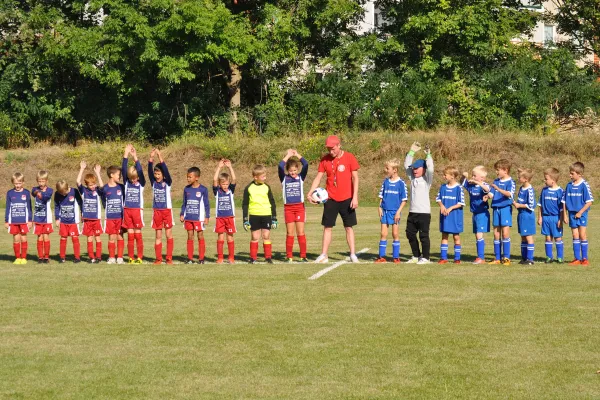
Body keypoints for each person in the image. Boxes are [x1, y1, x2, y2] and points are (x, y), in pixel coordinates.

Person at [307, 135, 360, 264]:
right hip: (330, 199)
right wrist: (309, 193)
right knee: (327, 227)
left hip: (347, 198)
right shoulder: (325, 160)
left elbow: (355, 178)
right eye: (329, 149)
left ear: (339, 145)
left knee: (349, 227)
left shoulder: (349, 157)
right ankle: (324, 254)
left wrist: (355, 196)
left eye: (333, 148)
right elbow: (318, 178)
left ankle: (353, 254)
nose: (331, 151)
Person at [404, 141, 434, 265]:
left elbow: (431, 169)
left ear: (423, 169)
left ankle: (426, 258)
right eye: (414, 169)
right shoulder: (412, 178)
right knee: (409, 234)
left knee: (423, 236)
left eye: (417, 168)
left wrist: (428, 156)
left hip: (424, 213)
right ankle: (416, 255)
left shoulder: (427, 180)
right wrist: (411, 152)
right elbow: (406, 166)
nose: (414, 170)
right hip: (412, 212)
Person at [242, 164, 277, 264]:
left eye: (265, 176)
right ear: (255, 177)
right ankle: (253, 258)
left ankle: (268, 257)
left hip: (266, 215)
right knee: (255, 237)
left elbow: (272, 202)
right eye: (263, 176)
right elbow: (245, 204)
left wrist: (274, 218)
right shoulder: (249, 188)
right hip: (254, 215)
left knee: (266, 236)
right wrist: (245, 219)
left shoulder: (267, 187)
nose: (265, 178)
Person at [279, 149, 309, 263]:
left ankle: (303, 256)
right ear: (288, 171)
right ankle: (289, 256)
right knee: (289, 233)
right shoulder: (284, 179)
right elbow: (280, 166)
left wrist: (297, 155)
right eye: (291, 170)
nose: (293, 172)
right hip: (288, 208)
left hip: (299, 208)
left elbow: (306, 164)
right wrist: (287, 155)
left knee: (300, 232)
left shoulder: (300, 178)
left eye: (295, 170)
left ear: (298, 169)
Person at [375, 159, 407, 263]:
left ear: (395, 170)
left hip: (395, 212)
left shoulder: (401, 183)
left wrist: (398, 212)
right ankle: (381, 257)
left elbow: (404, 200)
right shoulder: (385, 182)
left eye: (387, 168)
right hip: (385, 211)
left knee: (395, 234)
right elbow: (381, 196)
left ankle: (396, 257)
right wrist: (379, 207)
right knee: (383, 234)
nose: (385, 170)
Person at [562, 161, 594, 265]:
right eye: (570, 173)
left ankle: (584, 258)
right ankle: (577, 258)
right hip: (572, 214)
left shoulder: (584, 185)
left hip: (581, 214)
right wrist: (565, 215)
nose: (570, 175)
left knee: (582, 235)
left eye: (572, 173)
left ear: (579, 174)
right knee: (575, 235)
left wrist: (580, 212)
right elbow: (564, 201)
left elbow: (589, 202)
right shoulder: (569, 186)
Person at [148, 148, 174, 264]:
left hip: (167, 211)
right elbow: (149, 171)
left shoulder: (167, 183)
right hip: (157, 212)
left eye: (159, 174)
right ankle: (158, 258)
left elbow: (166, 171)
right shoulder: (153, 183)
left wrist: (160, 156)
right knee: (158, 235)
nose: (157, 176)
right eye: (156, 174)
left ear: (163, 175)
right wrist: (151, 158)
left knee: (168, 235)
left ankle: (169, 258)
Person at [487, 159, 515, 265]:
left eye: (498, 170)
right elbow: (492, 194)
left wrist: (498, 189)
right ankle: (497, 258)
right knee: (496, 234)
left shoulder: (510, 182)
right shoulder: (496, 181)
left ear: (505, 170)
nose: (496, 172)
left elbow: (509, 194)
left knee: (505, 233)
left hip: (505, 209)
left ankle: (506, 258)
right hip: (496, 209)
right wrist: (487, 196)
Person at [180, 166, 210, 264]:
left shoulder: (203, 189)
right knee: (190, 236)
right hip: (188, 217)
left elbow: (206, 204)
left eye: (190, 177)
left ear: (196, 177)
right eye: (187, 177)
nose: (188, 179)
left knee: (200, 236)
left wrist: (207, 216)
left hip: (199, 218)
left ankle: (201, 258)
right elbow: (184, 203)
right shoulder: (186, 189)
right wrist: (182, 214)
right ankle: (190, 258)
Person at [461, 166, 491, 264]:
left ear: (482, 178)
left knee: (479, 234)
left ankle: (481, 258)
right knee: (477, 235)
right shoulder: (471, 185)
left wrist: (478, 183)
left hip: (482, 213)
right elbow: (462, 182)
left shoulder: (484, 185)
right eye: (472, 175)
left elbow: (487, 189)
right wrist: (463, 176)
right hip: (475, 213)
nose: (472, 177)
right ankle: (480, 256)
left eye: (475, 176)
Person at [122, 144, 146, 263]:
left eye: (135, 178)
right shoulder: (127, 183)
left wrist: (135, 157)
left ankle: (140, 257)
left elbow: (140, 172)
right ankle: (131, 257)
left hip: (137, 211)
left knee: (138, 234)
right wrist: (125, 155)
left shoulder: (141, 184)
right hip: (127, 210)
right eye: (131, 178)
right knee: (130, 234)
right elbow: (123, 168)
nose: (133, 180)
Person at [436, 166, 465, 264]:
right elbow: (438, 199)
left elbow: (461, 203)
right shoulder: (443, 187)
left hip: (455, 216)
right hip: (445, 216)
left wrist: (451, 208)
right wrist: (442, 206)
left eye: (445, 175)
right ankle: (443, 258)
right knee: (444, 236)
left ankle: (457, 258)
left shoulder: (458, 188)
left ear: (452, 176)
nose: (444, 176)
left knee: (456, 236)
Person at [77, 161, 104, 263]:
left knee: (97, 238)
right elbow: (77, 182)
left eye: (93, 184)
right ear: (87, 185)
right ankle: (91, 257)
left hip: (96, 219)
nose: (92, 186)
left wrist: (97, 172)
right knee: (89, 239)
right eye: (90, 185)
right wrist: (82, 169)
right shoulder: (84, 191)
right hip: (87, 219)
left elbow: (101, 185)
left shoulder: (97, 191)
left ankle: (98, 257)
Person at [538, 167, 564, 263]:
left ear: (553, 180)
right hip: (546, 217)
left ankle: (560, 257)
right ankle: (549, 257)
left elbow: (562, 208)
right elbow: (540, 205)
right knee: (548, 237)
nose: (544, 181)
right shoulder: (544, 190)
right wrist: (540, 217)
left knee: (557, 237)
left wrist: (560, 219)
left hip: (555, 217)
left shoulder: (560, 191)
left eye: (546, 179)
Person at [213, 159, 237, 264]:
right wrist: (219, 167)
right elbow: (214, 180)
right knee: (220, 237)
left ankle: (231, 258)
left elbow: (234, 179)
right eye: (223, 184)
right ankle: (220, 258)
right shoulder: (217, 191)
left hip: (230, 218)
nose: (225, 186)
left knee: (230, 237)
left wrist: (230, 167)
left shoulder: (231, 191)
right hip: (220, 218)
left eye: (227, 184)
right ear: (220, 184)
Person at [5, 172, 32, 264]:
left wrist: (29, 220)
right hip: (13, 221)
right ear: (13, 183)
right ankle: (17, 258)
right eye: (16, 183)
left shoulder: (26, 193)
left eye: (19, 183)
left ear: (23, 182)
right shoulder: (10, 193)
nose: (18, 185)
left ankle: (24, 257)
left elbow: (29, 207)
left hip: (24, 221)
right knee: (16, 239)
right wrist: (6, 221)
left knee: (23, 238)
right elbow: (8, 207)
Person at [54, 179, 83, 263]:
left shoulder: (74, 191)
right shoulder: (57, 194)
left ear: (67, 188)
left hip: (73, 221)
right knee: (63, 238)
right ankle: (62, 257)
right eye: (61, 193)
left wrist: (82, 213)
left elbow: (80, 203)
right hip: (63, 221)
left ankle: (77, 257)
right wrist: (57, 219)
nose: (63, 194)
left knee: (75, 238)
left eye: (64, 192)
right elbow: (56, 206)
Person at [102, 165, 126, 264]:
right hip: (110, 218)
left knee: (120, 236)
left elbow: (124, 201)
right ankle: (112, 257)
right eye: (118, 175)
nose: (119, 176)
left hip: (120, 217)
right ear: (111, 175)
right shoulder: (105, 188)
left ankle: (120, 257)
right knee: (111, 237)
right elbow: (104, 202)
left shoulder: (121, 187)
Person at [513, 168, 536, 265]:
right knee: (522, 236)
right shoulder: (521, 188)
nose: (518, 179)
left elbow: (531, 205)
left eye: (520, 177)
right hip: (521, 215)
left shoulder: (530, 190)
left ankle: (530, 259)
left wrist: (519, 205)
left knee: (528, 237)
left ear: (526, 179)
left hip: (527, 215)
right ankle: (524, 258)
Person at [32, 170, 53, 263]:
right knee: (39, 237)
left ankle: (46, 257)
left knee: (46, 237)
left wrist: (40, 194)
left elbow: (46, 197)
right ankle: (40, 257)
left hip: (47, 219)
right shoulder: (35, 189)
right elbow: (33, 192)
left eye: (43, 181)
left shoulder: (50, 190)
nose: (41, 183)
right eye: (39, 181)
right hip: (38, 218)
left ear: (46, 181)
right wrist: (37, 192)